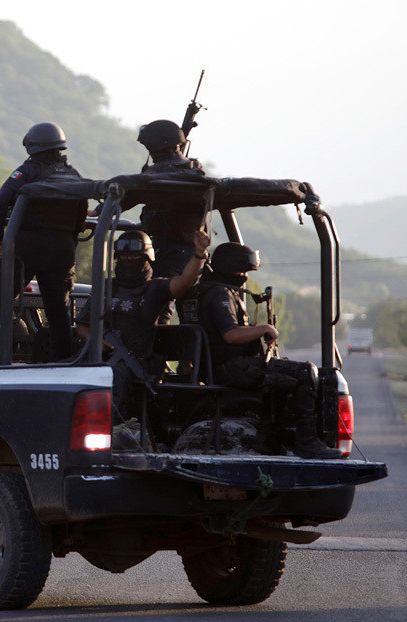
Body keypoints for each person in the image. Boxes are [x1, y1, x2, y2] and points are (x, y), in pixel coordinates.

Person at [0, 122, 91, 366]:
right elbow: (82, 211)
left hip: (26, 246)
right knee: (58, 309)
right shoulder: (73, 175)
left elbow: (2, 198)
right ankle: (66, 361)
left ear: (31, 147)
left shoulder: (28, 172)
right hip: (63, 249)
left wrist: (0, 236)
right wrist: (70, 241)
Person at [196, 242, 343, 459]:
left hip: (224, 366)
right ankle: (306, 442)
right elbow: (230, 335)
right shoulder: (220, 293)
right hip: (231, 367)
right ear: (231, 268)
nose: (245, 275)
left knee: (286, 378)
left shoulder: (210, 288)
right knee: (304, 372)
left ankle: (268, 439)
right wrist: (263, 329)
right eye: (243, 270)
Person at [76, 229, 209, 413]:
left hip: (135, 363)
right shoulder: (106, 287)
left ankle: (113, 430)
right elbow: (82, 325)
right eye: (125, 257)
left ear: (147, 258)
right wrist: (96, 341)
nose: (129, 260)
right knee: (67, 371)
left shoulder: (155, 288)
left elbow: (185, 281)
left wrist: (199, 254)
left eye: (134, 257)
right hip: (99, 357)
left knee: (114, 376)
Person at [134, 120, 210, 323]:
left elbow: (129, 195)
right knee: (192, 316)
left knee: (157, 311)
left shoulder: (155, 177)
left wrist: (99, 210)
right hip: (195, 254)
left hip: (167, 252)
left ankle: (154, 355)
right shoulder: (195, 172)